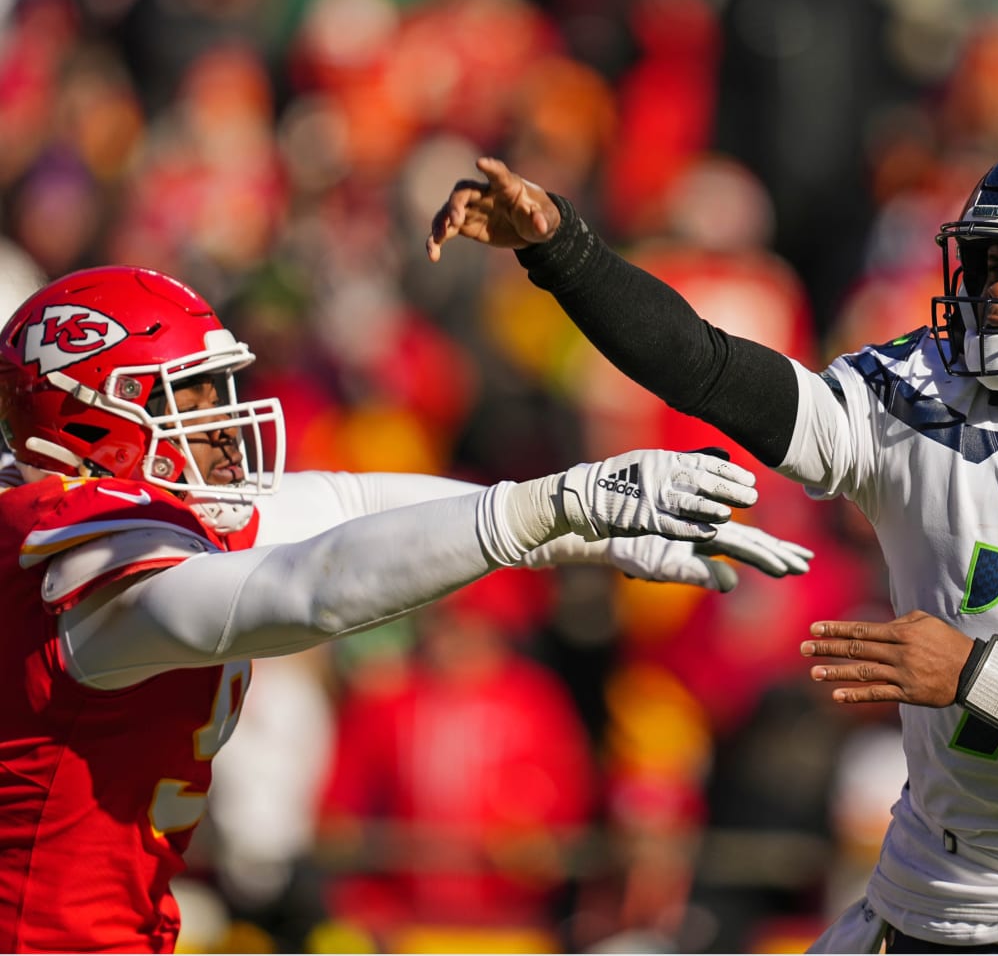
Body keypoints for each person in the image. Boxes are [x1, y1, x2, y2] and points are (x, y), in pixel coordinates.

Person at [426, 136, 998, 954]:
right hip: (920, 892)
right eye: (988, 263)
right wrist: (562, 250)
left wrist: (978, 676)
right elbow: (709, 369)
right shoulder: (920, 391)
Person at [0, 263, 813, 954]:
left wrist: (581, 532)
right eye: (191, 394)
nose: (221, 421)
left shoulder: (127, 518)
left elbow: (344, 501)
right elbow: (302, 591)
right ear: (88, 418)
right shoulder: (78, 562)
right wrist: (555, 507)